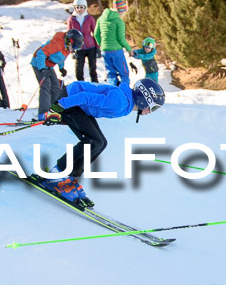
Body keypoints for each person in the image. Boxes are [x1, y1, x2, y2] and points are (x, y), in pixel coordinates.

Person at [39, 78, 166, 207]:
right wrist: (57, 108)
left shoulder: (125, 102)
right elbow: (85, 97)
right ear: (144, 100)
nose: (150, 112)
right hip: (72, 100)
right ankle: (55, 175)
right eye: (153, 108)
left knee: (100, 143)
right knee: (92, 142)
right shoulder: (120, 102)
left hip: (79, 106)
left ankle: (68, 177)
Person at [30, 29, 83, 121]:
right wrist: (42, 68)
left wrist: (61, 68)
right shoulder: (57, 44)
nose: (74, 49)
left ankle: (54, 111)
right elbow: (41, 53)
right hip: (39, 63)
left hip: (49, 66)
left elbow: (60, 58)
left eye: (76, 48)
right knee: (46, 86)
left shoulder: (67, 47)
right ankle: (43, 114)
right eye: (74, 46)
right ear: (69, 40)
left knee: (56, 87)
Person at [94, 0, 133, 86]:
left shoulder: (101, 19)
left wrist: (102, 44)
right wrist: (129, 49)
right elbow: (121, 39)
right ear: (120, 11)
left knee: (111, 74)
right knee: (124, 74)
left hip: (105, 51)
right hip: (116, 51)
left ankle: (113, 92)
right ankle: (124, 93)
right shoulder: (119, 21)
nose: (124, 14)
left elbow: (96, 34)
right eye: (124, 11)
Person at [66, 0, 100, 83]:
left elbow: (95, 33)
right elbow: (69, 34)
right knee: (79, 69)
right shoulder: (71, 19)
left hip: (90, 46)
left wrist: (97, 47)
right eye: (77, 7)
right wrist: (71, 49)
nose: (79, 9)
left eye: (81, 7)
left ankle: (95, 85)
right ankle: (81, 85)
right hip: (78, 47)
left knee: (93, 68)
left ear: (85, 7)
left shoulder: (89, 18)